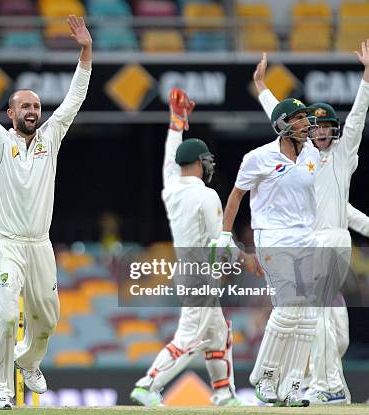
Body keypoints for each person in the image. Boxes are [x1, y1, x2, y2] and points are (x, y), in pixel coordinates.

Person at [0, 11, 92, 410]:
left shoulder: (51, 137)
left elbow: (74, 100)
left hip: (40, 246)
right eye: (24, 106)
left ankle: (29, 361)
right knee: (4, 315)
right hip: (5, 243)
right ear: (10, 113)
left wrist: (85, 53)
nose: (32, 111)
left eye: (36, 105)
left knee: (47, 322)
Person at [252, 41, 369, 404]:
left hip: (332, 243)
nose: (320, 133)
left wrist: (367, 77)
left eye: (326, 127)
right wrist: (262, 89)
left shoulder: (342, 155)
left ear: (333, 130)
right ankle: (332, 389)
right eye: (315, 127)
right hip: (307, 244)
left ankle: (328, 386)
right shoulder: (302, 158)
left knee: (323, 321)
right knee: (328, 326)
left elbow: (357, 118)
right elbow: (283, 119)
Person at [130, 88, 249, 407]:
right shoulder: (206, 196)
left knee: (219, 334)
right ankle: (147, 385)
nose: (209, 166)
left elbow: (170, 156)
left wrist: (177, 121)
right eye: (207, 161)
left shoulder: (171, 188)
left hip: (187, 269)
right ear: (198, 162)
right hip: (201, 274)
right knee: (190, 338)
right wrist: (241, 258)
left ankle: (223, 393)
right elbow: (217, 243)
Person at [215, 94, 321, 406]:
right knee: (289, 307)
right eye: (298, 119)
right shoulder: (258, 157)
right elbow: (236, 197)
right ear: (282, 125)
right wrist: (224, 236)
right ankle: (266, 376)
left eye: (305, 119)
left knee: (308, 315)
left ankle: (292, 386)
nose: (305, 124)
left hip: (306, 238)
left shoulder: (312, 153)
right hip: (272, 237)